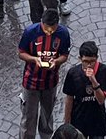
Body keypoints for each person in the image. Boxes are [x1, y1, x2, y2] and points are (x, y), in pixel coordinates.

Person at [18, 8, 71, 139]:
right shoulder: (30, 32)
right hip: (30, 82)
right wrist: (34, 59)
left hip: (50, 82)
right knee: (28, 117)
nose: (48, 32)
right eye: (46, 28)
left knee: (47, 116)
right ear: (41, 22)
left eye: (52, 30)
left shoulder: (63, 34)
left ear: (57, 25)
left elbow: (65, 55)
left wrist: (56, 61)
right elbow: (21, 53)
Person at [61, 40, 106, 138]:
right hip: (79, 120)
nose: (89, 65)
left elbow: (101, 100)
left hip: (97, 122)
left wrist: (94, 81)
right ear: (80, 59)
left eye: (92, 61)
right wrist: (66, 123)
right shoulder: (73, 73)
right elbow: (69, 99)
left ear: (97, 58)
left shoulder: (103, 70)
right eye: (86, 61)